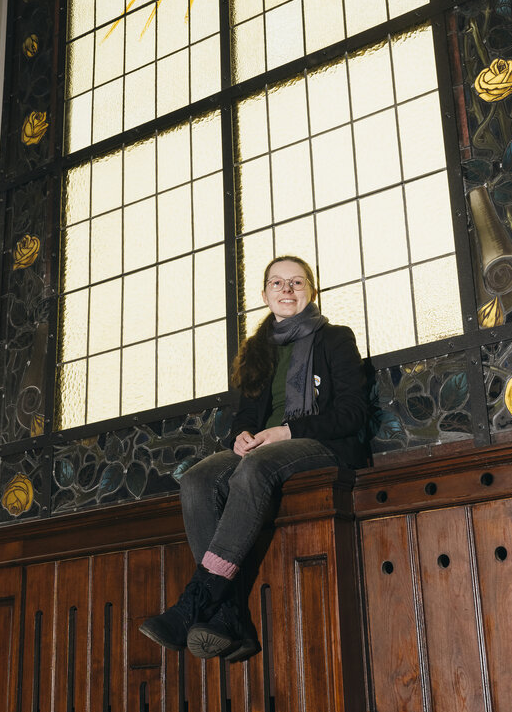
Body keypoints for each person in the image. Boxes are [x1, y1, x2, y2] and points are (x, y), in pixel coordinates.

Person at [139, 255, 368, 660]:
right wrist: (240, 437)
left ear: (310, 291)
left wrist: (288, 430)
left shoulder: (335, 339)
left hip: (319, 445)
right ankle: (229, 619)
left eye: (296, 282)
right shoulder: (257, 351)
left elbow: (352, 414)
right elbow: (244, 418)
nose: (286, 289)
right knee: (197, 479)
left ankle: (197, 600)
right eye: (277, 283)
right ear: (264, 295)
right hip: (265, 445)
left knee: (255, 467)